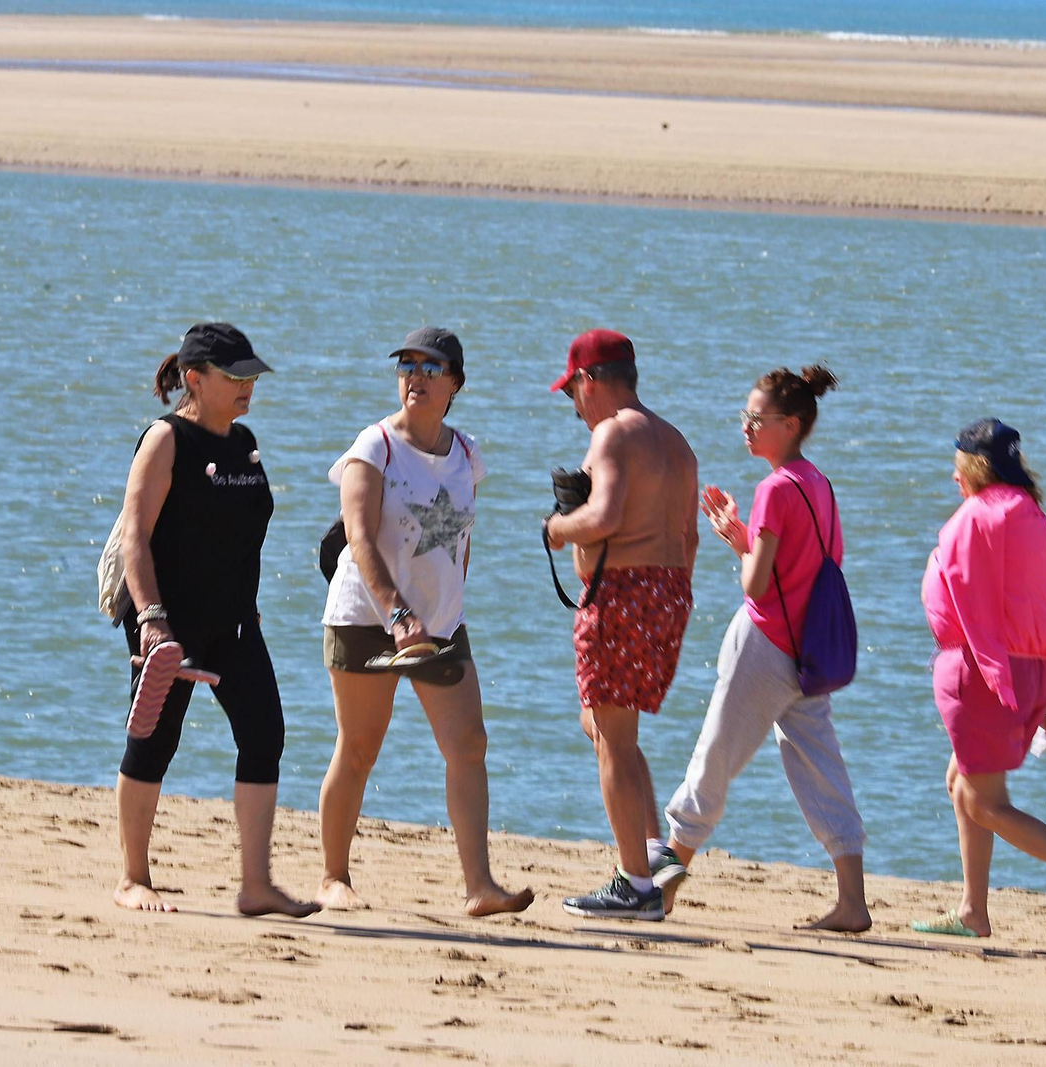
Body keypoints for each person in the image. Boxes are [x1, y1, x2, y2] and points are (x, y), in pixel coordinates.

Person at [317, 327, 533, 918]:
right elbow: (359, 538)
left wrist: (445, 605)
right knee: (360, 746)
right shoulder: (375, 446)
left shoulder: (466, 454)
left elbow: (460, 536)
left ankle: (480, 887)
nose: (416, 376)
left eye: (431, 368)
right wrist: (397, 611)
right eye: (407, 366)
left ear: (455, 383)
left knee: (469, 744)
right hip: (367, 617)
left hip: (440, 624)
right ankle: (333, 877)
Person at [112, 322, 317, 918]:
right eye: (236, 377)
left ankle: (256, 885)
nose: (248, 386)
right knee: (154, 739)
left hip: (233, 623)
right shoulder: (166, 439)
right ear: (195, 380)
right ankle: (132, 877)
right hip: (167, 622)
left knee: (265, 735)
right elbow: (135, 537)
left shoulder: (245, 442)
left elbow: (242, 533)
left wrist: (247, 599)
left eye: (252, 375)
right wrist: (152, 619)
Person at [660, 365, 873, 932]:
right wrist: (746, 537)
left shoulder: (775, 488)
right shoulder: (818, 484)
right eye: (745, 417)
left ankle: (660, 889)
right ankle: (852, 900)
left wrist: (738, 540)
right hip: (808, 653)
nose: (747, 427)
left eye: (758, 419)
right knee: (821, 765)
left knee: (714, 756)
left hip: (767, 643)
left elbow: (756, 584)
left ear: (792, 424)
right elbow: (808, 566)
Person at [912, 418, 1046, 944]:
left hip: (987, 673)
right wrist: (1042, 689)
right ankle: (972, 911)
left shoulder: (977, 519)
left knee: (983, 801)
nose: (953, 475)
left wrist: (994, 677)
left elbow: (974, 603)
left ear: (975, 466)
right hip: (1024, 668)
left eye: (957, 464)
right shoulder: (1028, 514)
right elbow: (1042, 606)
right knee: (961, 784)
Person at [545, 329, 699, 921]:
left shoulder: (611, 434)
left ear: (590, 381)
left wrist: (557, 529)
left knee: (611, 735)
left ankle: (635, 883)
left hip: (623, 594)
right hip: (668, 593)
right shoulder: (677, 442)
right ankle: (653, 850)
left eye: (572, 394)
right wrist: (668, 594)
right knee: (606, 723)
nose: (576, 407)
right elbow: (686, 538)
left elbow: (604, 515)